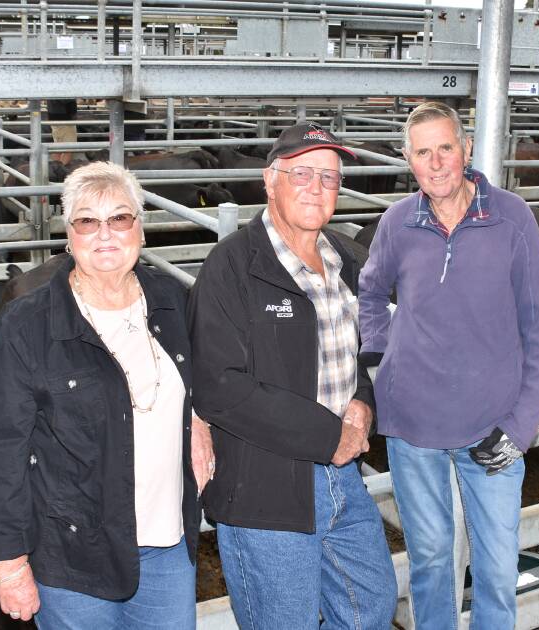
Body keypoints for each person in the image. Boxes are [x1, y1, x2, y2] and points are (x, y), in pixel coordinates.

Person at [0, 161, 213, 629]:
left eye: (119, 218)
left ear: (139, 228)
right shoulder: (26, 323)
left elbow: (199, 380)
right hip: (73, 555)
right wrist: (10, 563)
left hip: (167, 547)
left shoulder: (172, 301)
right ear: (67, 234)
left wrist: (198, 420)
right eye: (87, 221)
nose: (105, 234)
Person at [189, 122, 397, 629]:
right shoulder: (232, 266)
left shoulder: (347, 259)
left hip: (342, 478)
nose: (316, 187)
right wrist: (330, 436)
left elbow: (364, 350)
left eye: (329, 177)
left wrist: (364, 402)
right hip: (266, 487)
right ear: (269, 179)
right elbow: (220, 386)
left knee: (370, 604)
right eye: (301, 173)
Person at [357, 101, 539, 629]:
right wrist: (379, 356)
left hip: (493, 429)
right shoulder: (397, 222)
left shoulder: (513, 219)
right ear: (408, 160)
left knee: (496, 567)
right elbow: (370, 292)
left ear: (466, 149)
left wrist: (520, 427)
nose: (437, 161)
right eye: (423, 152)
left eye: (446, 147)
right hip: (412, 427)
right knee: (431, 561)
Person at [46, 98, 79, 165]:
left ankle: (55, 168)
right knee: (69, 148)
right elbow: (67, 99)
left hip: (54, 118)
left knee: (58, 147)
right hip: (65, 119)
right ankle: (61, 171)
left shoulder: (50, 88)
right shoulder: (63, 89)